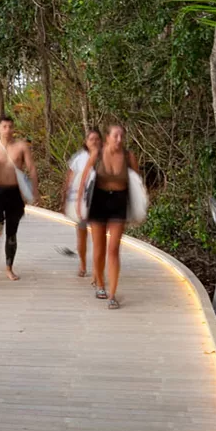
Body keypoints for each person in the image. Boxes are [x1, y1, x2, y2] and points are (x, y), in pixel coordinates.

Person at [88, 122, 139, 309]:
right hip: (98, 201)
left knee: (113, 249)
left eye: (121, 136)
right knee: (99, 248)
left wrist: (138, 210)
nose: (119, 139)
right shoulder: (97, 154)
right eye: (115, 136)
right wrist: (77, 206)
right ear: (107, 137)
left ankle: (112, 294)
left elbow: (137, 184)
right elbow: (84, 180)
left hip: (119, 202)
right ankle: (100, 284)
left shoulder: (128, 156)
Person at [0, 115, 37, 281]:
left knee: (12, 232)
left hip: (14, 193)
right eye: (4, 127)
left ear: (14, 129)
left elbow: (32, 168)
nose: (7, 130)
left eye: (10, 127)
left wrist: (34, 191)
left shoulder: (21, 147)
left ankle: (9, 267)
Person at [63, 128, 102, 277]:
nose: (94, 142)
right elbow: (70, 180)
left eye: (97, 139)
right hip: (82, 200)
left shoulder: (105, 157)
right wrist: (67, 201)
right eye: (91, 139)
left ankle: (97, 269)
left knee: (99, 236)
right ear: (86, 142)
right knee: (82, 233)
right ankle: (83, 264)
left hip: (99, 201)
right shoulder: (79, 158)